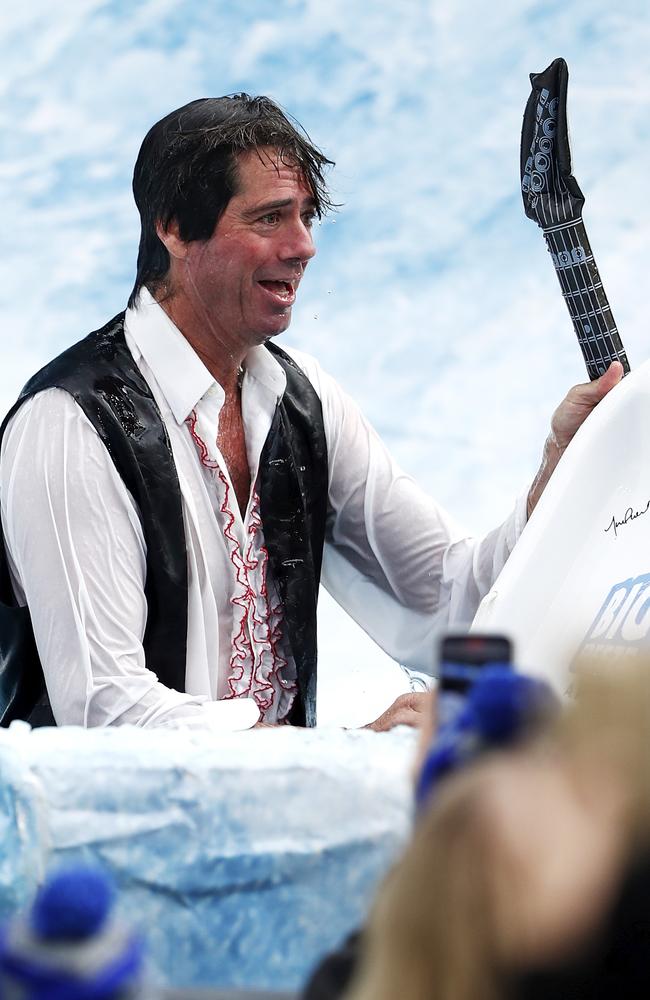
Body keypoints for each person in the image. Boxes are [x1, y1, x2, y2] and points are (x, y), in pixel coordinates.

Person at [0, 95, 622, 733]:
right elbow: (105, 712)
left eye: (307, 217)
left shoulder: (305, 403)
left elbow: (454, 600)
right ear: (174, 229)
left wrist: (562, 469)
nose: (304, 246)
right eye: (270, 218)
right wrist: (337, 760)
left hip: (283, 820)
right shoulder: (69, 425)